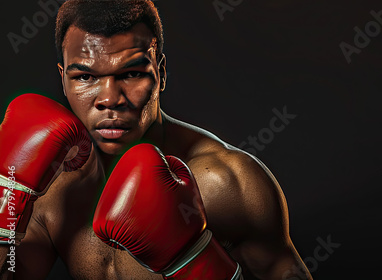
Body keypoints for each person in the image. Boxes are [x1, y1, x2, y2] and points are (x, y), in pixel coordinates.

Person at [0, 0, 312, 279]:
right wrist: (5, 200)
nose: (109, 99)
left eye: (131, 74)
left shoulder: (226, 181)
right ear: (64, 81)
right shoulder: (46, 184)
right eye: (85, 77)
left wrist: (200, 265)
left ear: (160, 73)